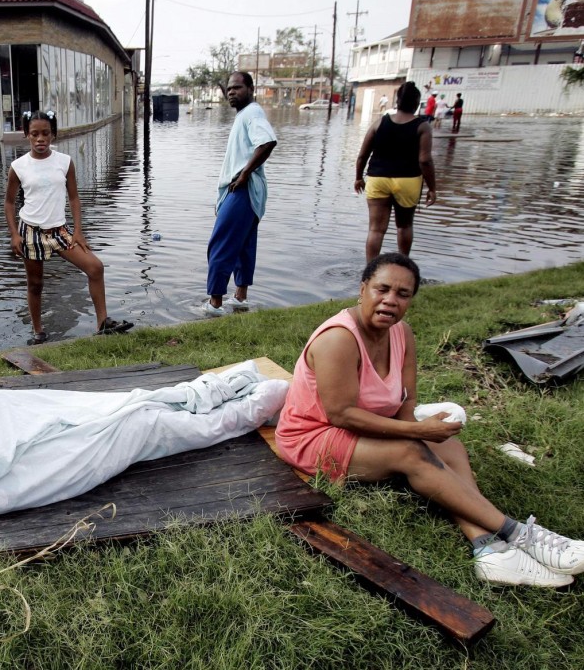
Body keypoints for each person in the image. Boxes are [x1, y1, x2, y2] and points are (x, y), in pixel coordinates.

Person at [275, 253, 584, 587]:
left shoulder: (401, 333)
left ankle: (488, 548)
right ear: (363, 289)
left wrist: (422, 431)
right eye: (382, 289)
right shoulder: (338, 338)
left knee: (449, 448)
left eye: (403, 294)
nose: (390, 300)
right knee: (411, 452)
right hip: (313, 436)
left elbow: (406, 405)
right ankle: (519, 534)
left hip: (360, 429)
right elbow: (341, 414)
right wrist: (417, 432)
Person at [4, 111, 133, 342]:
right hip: (30, 232)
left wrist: (78, 231)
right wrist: (14, 234)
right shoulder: (18, 166)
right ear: (27, 135)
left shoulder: (64, 162)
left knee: (95, 267)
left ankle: (102, 323)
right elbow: (9, 202)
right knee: (35, 284)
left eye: (45, 133)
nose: (40, 139)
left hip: (60, 231)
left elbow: (74, 198)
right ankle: (38, 331)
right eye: (34, 134)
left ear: (53, 134)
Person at [204, 71, 277, 316]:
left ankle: (214, 304)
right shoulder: (245, 115)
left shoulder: (252, 113)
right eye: (229, 89)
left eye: (237, 87)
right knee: (244, 245)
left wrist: (244, 174)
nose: (231, 92)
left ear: (251, 89)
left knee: (220, 246)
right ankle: (240, 298)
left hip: (243, 189)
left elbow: (267, 142)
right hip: (245, 191)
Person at [354, 81, 436, 262]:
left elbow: (362, 156)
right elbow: (425, 160)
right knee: (404, 226)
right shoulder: (422, 127)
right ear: (416, 103)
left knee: (375, 229)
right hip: (408, 181)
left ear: (397, 101)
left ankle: (370, 270)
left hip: (377, 179)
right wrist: (432, 188)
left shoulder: (379, 123)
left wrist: (359, 177)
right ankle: (403, 265)